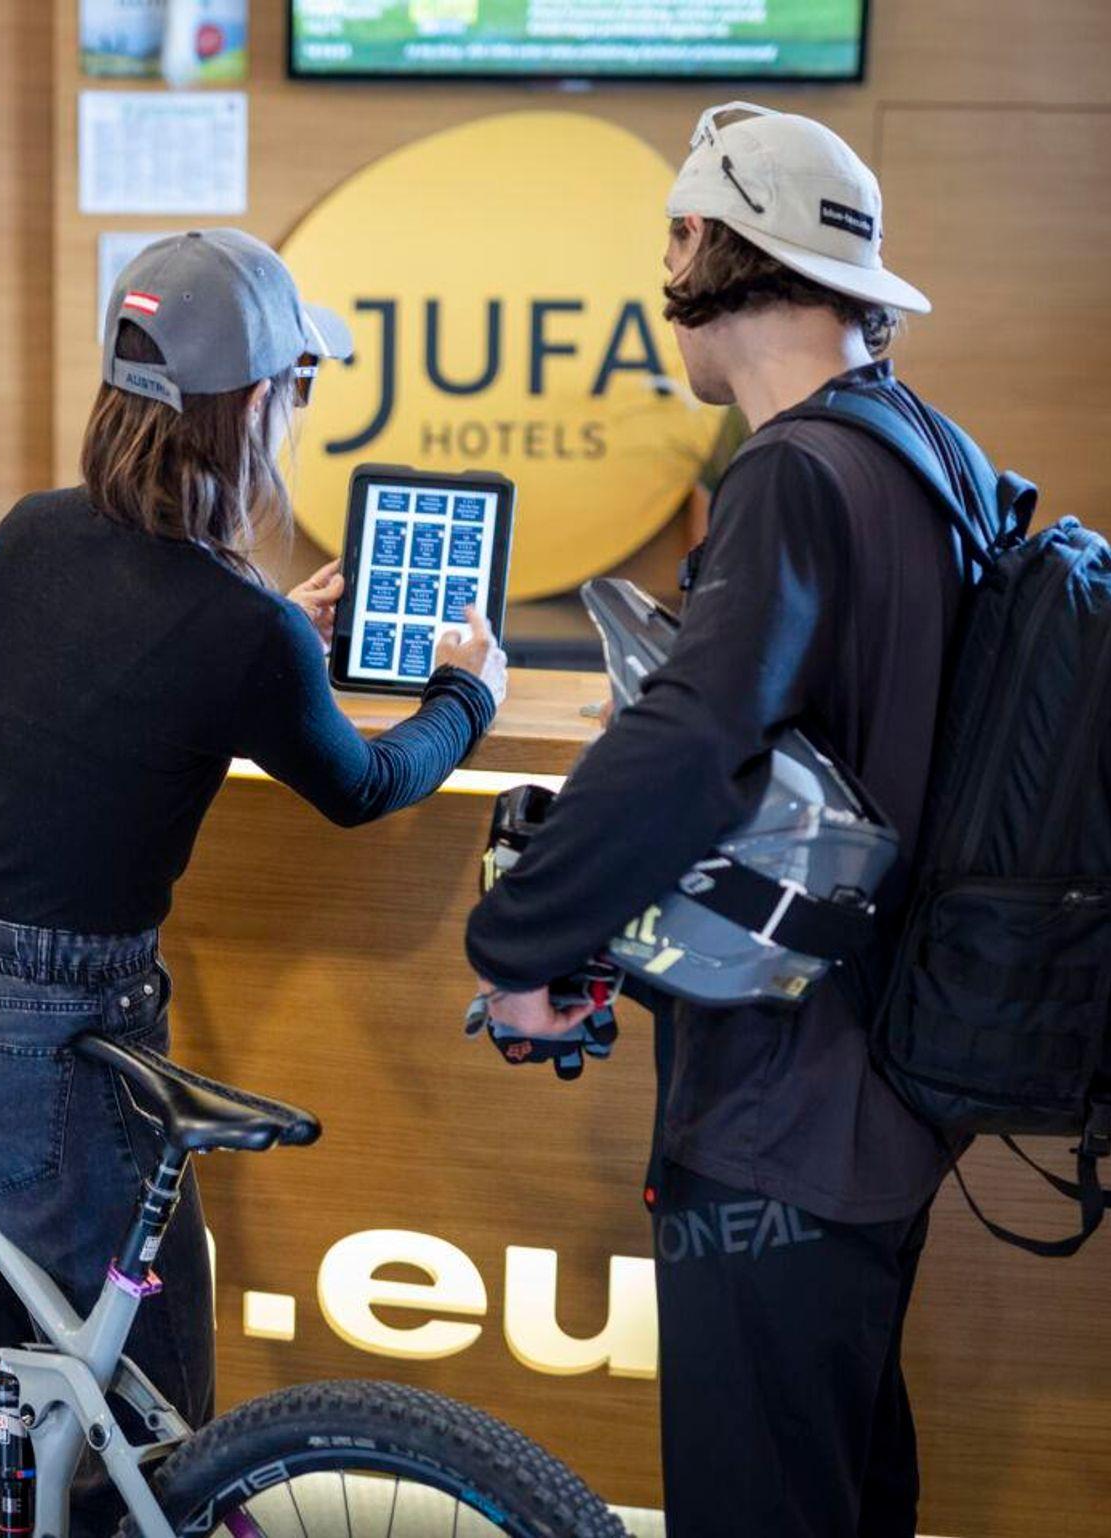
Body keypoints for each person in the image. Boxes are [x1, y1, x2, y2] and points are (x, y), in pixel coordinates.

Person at [0, 228, 508, 1536]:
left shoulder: (29, 536)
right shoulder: (240, 628)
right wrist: (466, 694)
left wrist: (272, 627)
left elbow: (107, 670)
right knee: (153, 1430)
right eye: (300, 386)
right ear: (256, 403)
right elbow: (364, 784)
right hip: (60, 1050)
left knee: (16, 1376)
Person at [464, 104, 964, 1536]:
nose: (664, 269)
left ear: (706, 244)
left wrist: (518, 940)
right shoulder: (922, 450)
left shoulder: (793, 474)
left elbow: (692, 742)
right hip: (885, 1092)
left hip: (778, 1113)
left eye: (672, 236)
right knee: (842, 1488)